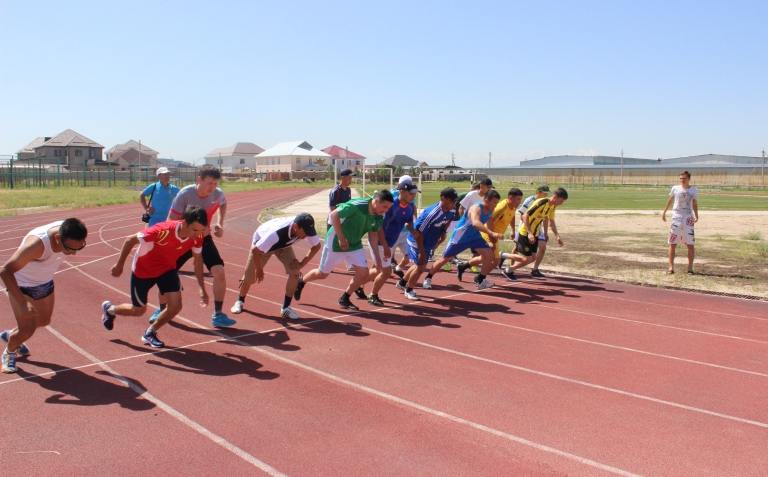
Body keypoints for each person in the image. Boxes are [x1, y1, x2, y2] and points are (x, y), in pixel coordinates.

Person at [101, 206, 209, 348]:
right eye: (195, 230)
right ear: (184, 223)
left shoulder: (198, 236)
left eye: (201, 231)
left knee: (175, 306)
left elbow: (198, 260)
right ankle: (109, 310)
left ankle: (149, 333)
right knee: (138, 310)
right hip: (144, 271)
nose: (198, 235)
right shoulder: (162, 231)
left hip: (167, 269)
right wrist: (119, 265)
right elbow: (129, 240)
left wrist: (202, 288)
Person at [151, 164, 235, 328]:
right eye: (209, 183)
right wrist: (192, 228)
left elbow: (223, 203)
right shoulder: (185, 194)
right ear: (199, 180)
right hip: (182, 239)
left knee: (219, 271)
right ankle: (161, 309)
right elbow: (170, 222)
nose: (212, 187)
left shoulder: (217, 194)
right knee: (165, 273)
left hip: (204, 238)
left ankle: (218, 314)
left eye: (215, 183)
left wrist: (219, 223)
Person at [1, 218, 88, 373]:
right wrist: (22, 303)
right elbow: (5, 271)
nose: (73, 253)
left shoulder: (71, 230)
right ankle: (9, 352)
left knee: (43, 321)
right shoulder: (36, 245)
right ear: (57, 238)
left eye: (79, 248)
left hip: (44, 282)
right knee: (28, 329)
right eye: (69, 248)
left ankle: (10, 335)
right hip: (22, 285)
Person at [293, 190, 394, 311]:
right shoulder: (357, 205)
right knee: (322, 274)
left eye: (388, 208)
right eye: (385, 207)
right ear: (376, 201)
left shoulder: (379, 215)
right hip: (335, 243)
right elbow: (333, 215)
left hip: (355, 244)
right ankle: (301, 282)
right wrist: (341, 238)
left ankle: (345, 298)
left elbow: (373, 235)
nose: (386, 210)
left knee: (364, 273)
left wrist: (377, 257)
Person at [230, 213, 322, 319]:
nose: (308, 235)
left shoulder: (305, 226)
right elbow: (255, 250)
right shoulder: (276, 233)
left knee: (295, 272)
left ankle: (286, 308)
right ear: (296, 227)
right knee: (249, 276)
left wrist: (301, 264)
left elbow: (316, 246)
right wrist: (259, 270)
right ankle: (240, 301)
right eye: (306, 232)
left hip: (283, 245)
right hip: (262, 246)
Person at [426, 190, 504, 291]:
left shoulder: (490, 210)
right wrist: (492, 233)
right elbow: (476, 223)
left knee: (489, 255)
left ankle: (481, 280)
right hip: (460, 237)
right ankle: (428, 277)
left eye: (497, 203)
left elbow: (489, 223)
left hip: (475, 236)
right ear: (487, 200)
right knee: (445, 259)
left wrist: (492, 240)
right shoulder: (476, 208)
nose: (496, 205)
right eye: (494, 202)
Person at [360, 180, 420, 306]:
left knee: (376, 270)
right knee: (386, 271)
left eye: (415, 194)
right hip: (380, 240)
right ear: (401, 192)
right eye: (411, 193)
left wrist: (412, 230)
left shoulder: (409, 207)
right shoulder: (390, 206)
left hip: (391, 241)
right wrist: (386, 247)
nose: (413, 196)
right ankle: (373, 295)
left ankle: (358, 284)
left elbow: (408, 222)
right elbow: (379, 227)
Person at [397, 188, 459, 300]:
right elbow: (419, 232)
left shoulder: (452, 209)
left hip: (429, 240)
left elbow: (448, 220)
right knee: (421, 267)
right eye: (452, 201)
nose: (454, 204)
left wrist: (443, 231)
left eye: (455, 201)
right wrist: (422, 252)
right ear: (443, 198)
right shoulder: (431, 213)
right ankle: (409, 290)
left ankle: (402, 283)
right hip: (417, 240)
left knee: (418, 265)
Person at [500, 188, 568, 280]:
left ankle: (506, 264)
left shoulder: (553, 206)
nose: (561, 203)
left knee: (532, 258)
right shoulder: (541, 203)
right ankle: (507, 267)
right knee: (527, 259)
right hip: (526, 232)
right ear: (555, 197)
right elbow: (525, 216)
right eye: (561, 201)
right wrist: (529, 233)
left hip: (535, 234)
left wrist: (557, 236)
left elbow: (551, 222)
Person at [459, 187, 524, 282]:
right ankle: (480, 278)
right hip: (488, 235)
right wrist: (491, 239)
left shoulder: (513, 206)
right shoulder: (501, 208)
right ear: (510, 198)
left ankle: (463, 267)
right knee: (495, 261)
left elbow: (512, 215)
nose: (519, 202)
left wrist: (513, 230)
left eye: (520, 199)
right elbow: (490, 222)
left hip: (494, 236)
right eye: (518, 199)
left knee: (483, 258)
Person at [662, 171, 699, 275]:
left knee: (690, 244)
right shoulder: (675, 188)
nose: (682, 180)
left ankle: (690, 268)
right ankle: (671, 267)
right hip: (676, 217)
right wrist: (664, 212)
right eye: (681, 178)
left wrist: (696, 215)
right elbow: (670, 200)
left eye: (684, 178)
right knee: (672, 243)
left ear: (689, 179)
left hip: (688, 218)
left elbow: (694, 203)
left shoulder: (694, 190)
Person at [329, 168, 356, 271]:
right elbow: (332, 208)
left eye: (351, 178)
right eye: (349, 177)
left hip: (345, 220)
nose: (351, 180)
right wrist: (337, 221)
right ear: (343, 177)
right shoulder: (336, 191)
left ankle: (350, 264)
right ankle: (328, 264)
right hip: (335, 221)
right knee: (332, 244)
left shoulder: (348, 190)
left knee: (347, 241)